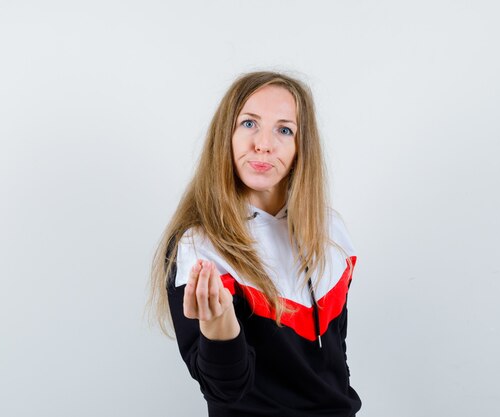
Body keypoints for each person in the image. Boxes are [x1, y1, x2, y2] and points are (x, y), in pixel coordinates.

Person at [149, 71, 362, 417]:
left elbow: (335, 356)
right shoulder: (198, 245)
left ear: (300, 147)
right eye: (249, 124)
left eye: (284, 129)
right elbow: (225, 390)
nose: (263, 144)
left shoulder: (330, 230)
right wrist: (221, 326)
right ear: (226, 136)